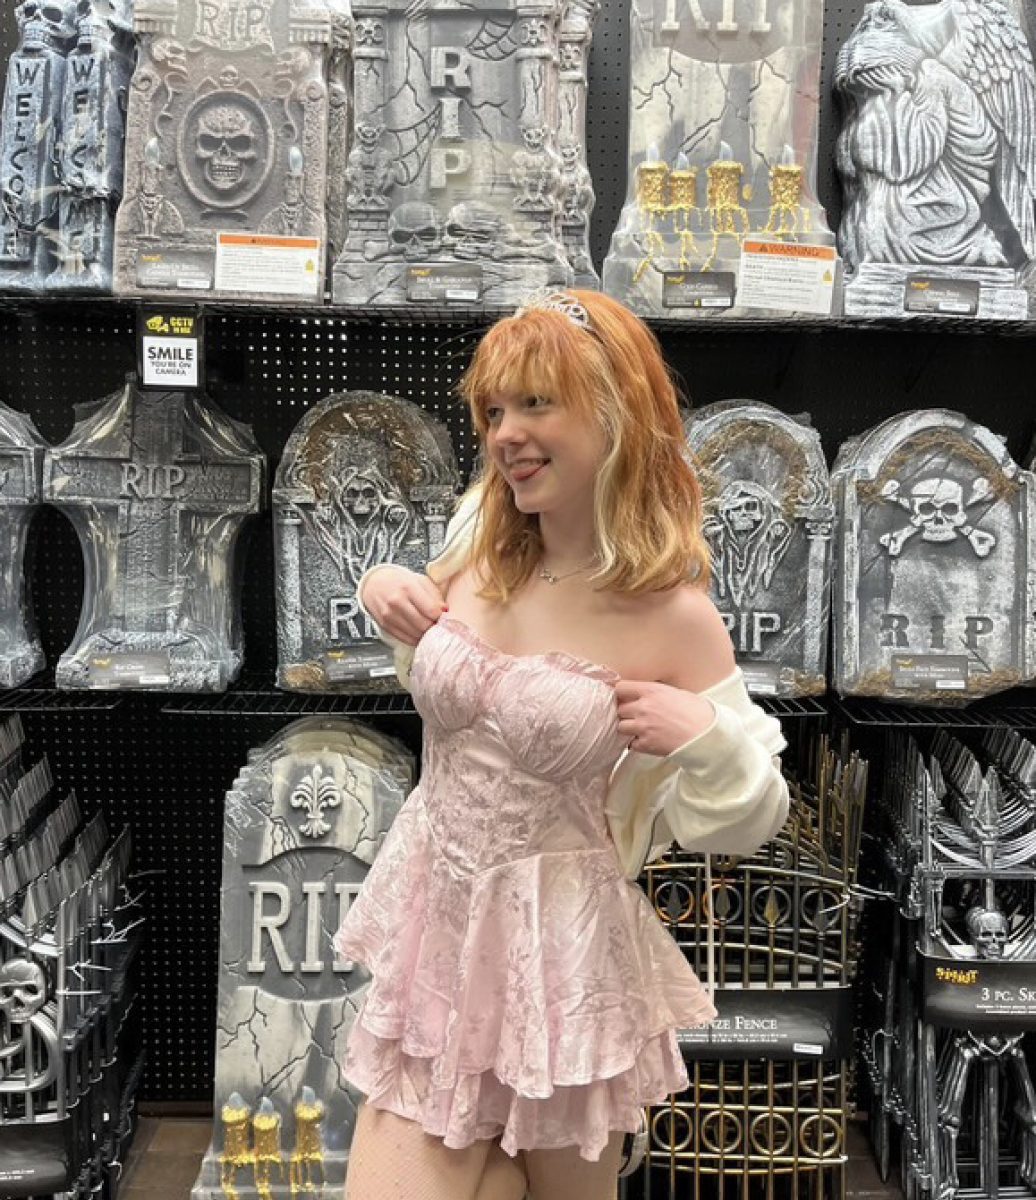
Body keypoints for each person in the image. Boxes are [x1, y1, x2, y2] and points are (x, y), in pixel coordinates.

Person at [334, 289, 789, 1200]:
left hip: (564, 964)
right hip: (441, 930)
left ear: (616, 410)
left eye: (537, 404)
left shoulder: (674, 614)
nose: (506, 434)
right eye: (495, 410)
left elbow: (753, 813)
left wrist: (702, 737)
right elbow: (444, 669)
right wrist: (385, 589)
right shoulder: (479, 538)